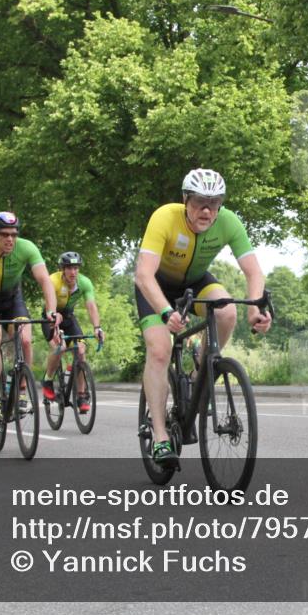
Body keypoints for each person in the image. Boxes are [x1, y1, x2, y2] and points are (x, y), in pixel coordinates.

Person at [134, 168, 271, 466]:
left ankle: (202, 370)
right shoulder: (165, 217)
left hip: (194, 283)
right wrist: (166, 311)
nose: (207, 210)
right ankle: (159, 437)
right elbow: (143, 274)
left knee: (226, 310)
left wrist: (256, 308)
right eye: (199, 202)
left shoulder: (228, 222)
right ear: (186, 200)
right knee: (159, 351)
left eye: (214, 202)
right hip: (155, 286)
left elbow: (253, 271)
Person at [0, 212, 62, 419]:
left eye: (14, 234)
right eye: (4, 234)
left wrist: (51, 311)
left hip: (12, 299)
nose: (10, 239)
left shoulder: (27, 247)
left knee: (26, 340)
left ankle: (21, 391)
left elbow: (45, 280)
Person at [40, 252, 105, 412]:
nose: (73, 272)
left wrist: (97, 327)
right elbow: (51, 303)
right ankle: (48, 380)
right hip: (50, 317)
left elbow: (91, 305)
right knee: (60, 347)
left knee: (81, 351)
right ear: (62, 269)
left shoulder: (84, 283)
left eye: (76, 268)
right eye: (69, 268)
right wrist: (54, 318)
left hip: (68, 318)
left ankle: (81, 395)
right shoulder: (53, 280)